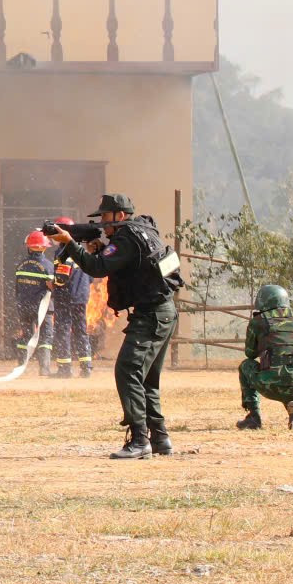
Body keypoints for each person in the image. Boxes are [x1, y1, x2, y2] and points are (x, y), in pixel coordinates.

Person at [43, 192, 182, 460]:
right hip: (163, 311)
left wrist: (70, 243)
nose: (103, 224)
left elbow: (97, 268)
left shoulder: (127, 237)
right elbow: (120, 263)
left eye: (105, 217)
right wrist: (96, 248)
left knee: (127, 371)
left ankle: (140, 440)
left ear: (120, 215)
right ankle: (160, 438)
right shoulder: (143, 230)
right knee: (147, 380)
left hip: (151, 314)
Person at [236, 283, 293, 430]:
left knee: (246, 365)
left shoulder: (258, 320)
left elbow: (250, 353)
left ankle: (254, 417)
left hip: (271, 383)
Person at [49, 219, 94, 377]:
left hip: (66, 297)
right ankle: (86, 368)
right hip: (81, 297)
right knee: (81, 331)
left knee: (62, 330)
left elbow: (61, 278)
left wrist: (51, 284)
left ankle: (64, 368)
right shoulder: (81, 251)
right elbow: (91, 276)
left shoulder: (63, 251)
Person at [10, 230, 57, 371]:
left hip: (23, 305)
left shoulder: (21, 265)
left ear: (28, 246)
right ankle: (44, 368)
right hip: (42, 308)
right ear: (44, 247)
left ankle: (21, 365)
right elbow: (52, 287)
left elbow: (17, 287)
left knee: (26, 335)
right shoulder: (48, 266)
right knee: (45, 336)